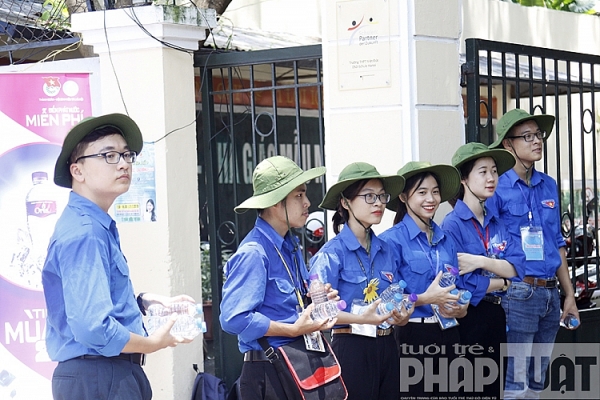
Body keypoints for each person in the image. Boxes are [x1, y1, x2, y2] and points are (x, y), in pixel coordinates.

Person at [42, 114, 195, 400]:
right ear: (78, 171)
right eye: (109, 155)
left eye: (126, 154)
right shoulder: (86, 231)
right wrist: (150, 344)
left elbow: (95, 300)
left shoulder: (95, 225)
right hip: (100, 375)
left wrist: (145, 301)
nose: (124, 163)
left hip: (104, 375)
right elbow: (92, 327)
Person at [219, 156, 337, 399]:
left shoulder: (290, 246)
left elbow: (294, 303)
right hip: (268, 372)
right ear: (275, 202)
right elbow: (233, 319)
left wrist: (319, 301)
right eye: (299, 195)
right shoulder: (254, 253)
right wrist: (292, 329)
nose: (308, 202)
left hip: (298, 364)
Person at [487, 109, 579, 398]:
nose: (536, 141)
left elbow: (556, 244)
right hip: (519, 293)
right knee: (515, 386)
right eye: (527, 136)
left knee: (536, 385)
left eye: (538, 135)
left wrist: (570, 296)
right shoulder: (495, 188)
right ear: (507, 144)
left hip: (550, 295)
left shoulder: (548, 184)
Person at [308, 162, 411, 400]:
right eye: (369, 196)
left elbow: (397, 295)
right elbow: (318, 312)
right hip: (351, 347)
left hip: (387, 346)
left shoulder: (387, 250)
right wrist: (361, 318)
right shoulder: (331, 254)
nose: (379, 203)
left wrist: (403, 315)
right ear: (345, 202)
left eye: (382, 196)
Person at [441, 142, 525, 398]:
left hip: (497, 315)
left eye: (494, 171)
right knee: (471, 390)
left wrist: (480, 262)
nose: (491, 178)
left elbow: (517, 268)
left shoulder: (496, 221)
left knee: (495, 390)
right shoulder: (452, 225)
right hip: (468, 318)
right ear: (464, 179)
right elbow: (459, 284)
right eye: (483, 172)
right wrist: (501, 281)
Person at [379, 161, 467, 398]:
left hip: (449, 332)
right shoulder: (391, 241)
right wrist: (426, 298)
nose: (431, 199)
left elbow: (454, 287)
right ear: (404, 197)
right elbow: (388, 300)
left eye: (435, 192)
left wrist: (461, 308)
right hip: (412, 337)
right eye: (422, 192)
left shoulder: (446, 239)